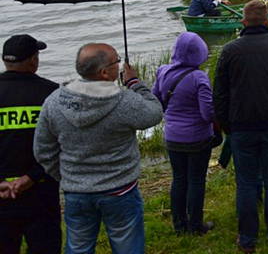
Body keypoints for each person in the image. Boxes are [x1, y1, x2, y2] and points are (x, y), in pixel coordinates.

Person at [34, 43, 163, 254]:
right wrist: (134, 82)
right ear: (104, 72)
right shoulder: (124, 100)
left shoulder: (54, 101)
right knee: (127, 246)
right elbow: (154, 113)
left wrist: (67, 176)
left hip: (76, 191)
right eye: (116, 61)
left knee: (78, 247)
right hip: (120, 190)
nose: (119, 64)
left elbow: (43, 151)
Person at [213, 0, 268, 252]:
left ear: (243, 22)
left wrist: (227, 125)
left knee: (246, 182)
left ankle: (248, 237)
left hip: (241, 126)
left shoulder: (230, 51)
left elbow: (220, 94)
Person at [0, 34, 60, 254]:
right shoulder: (52, 93)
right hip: (41, 189)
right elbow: (60, 145)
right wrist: (32, 177)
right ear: (33, 60)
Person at [152, 32, 215, 235]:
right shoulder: (199, 77)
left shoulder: (162, 72)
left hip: (172, 137)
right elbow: (207, 114)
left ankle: (179, 225)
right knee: (196, 180)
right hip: (198, 138)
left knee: (179, 179)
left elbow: (157, 102)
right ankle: (196, 225)